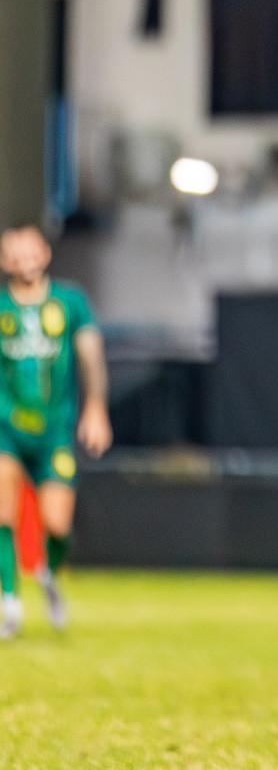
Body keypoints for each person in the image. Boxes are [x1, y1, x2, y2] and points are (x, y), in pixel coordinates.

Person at [0, 225, 113, 638]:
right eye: (15, 253)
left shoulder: (70, 302)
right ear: (4, 261)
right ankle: (10, 604)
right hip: (7, 429)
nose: (24, 260)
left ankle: (48, 576)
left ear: (45, 254)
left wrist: (96, 408)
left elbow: (91, 357)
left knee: (58, 524)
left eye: (31, 251)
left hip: (54, 431)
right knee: (3, 513)